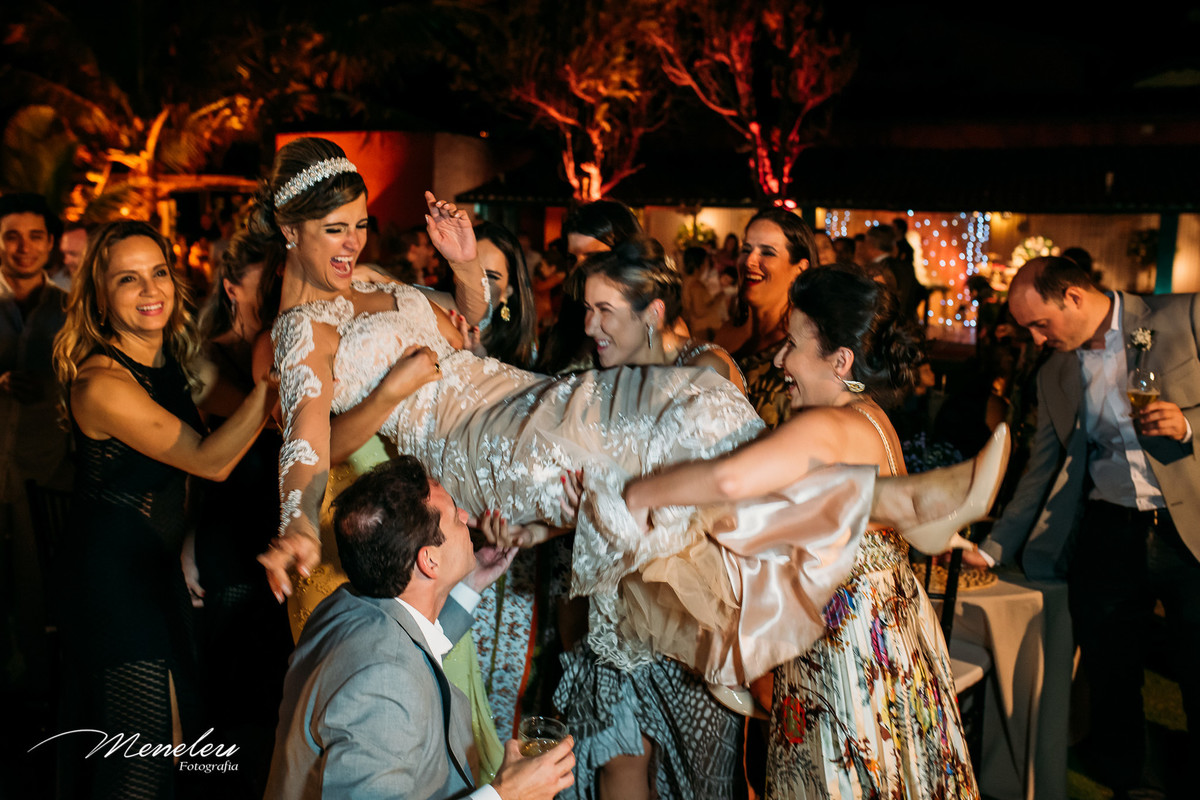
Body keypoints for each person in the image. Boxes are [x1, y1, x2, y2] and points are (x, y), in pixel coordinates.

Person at [257, 138, 1005, 799]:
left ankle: (898, 503)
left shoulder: (380, 285)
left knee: (698, 400)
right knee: (676, 429)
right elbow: (304, 442)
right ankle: (899, 504)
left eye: (360, 223)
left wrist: (462, 269)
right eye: (334, 230)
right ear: (290, 231)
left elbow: (470, 329)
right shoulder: (301, 331)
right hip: (477, 444)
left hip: (512, 399)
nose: (353, 242)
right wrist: (295, 523)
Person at [623, 267, 986, 799]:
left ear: (840, 361)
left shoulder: (827, 426)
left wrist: (639, 492)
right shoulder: (873, 419)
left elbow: (729, 478)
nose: (778, 361)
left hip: (847, 654)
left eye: (791, 345)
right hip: (890, 638)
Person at [51, 220, 277, 798]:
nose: (150, 290)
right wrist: (273, 388)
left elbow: (197, 464)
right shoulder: (101, 383)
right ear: (99, 297)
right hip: (112, 580)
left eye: (158, 273)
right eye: (128, 279)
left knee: (178, 744)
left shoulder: (169, 361)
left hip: (153, 568)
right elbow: (210, 462)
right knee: (143, 756)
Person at [969, 256, 1200, 798]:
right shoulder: (1054, 372)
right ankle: (1128, 783)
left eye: (1040, 322)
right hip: (1109, 533)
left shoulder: (1184, 317)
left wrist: (1189, 423)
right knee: (1112, 676)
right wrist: (996, 544)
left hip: (1188, 530)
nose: (1036, 336)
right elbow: (1042, 467)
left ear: (1073, 296)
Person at [265, 456, 575, 800]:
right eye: (455, 514)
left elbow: (403, 641)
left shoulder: (346, 604)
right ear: (429, 561)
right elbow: (388, 670)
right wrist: (505, 795)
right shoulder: (384, 685)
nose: (465, 517)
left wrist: (468, 587)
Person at [582, 238, 743, 391]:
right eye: (588, 309)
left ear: (653, 313)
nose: (588, 328)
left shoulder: (703, 368)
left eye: (605, 310)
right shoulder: (615, 371)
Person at [715, 207, 818, 427]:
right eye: (746, 249)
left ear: (800, 269)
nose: (750, 260)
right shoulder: (725, 334)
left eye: (767, 252)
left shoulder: (811, 345)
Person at [536, 200, 642, 374]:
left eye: (593, 257)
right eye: (573, 259)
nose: (580, 268)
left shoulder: (649, 318)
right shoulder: (573, 309)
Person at [475, 220, 538, 369]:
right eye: (469, 270)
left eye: (490, 276)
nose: (477, 282)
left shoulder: (519, 348)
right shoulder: (428, 316)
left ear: (509, 290)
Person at [680, 245, 725, 341]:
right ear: (701, 263)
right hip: (701, 330)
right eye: (706, 260)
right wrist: (718, 298)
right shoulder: (696, 285)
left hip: (696, 328)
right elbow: (699, 311)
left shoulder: (686, 281)